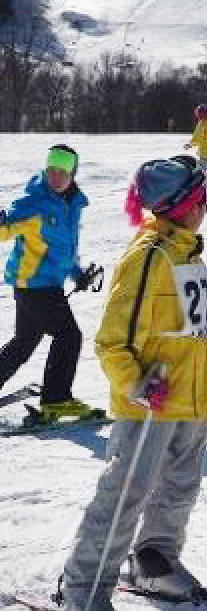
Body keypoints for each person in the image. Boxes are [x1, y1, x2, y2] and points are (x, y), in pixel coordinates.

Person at [57, 155, 207, 611]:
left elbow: (198, 320)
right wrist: (136, 383)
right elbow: (111, 342)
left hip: (192, 398)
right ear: (181, 204)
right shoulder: (147, 257)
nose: (204, 207)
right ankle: (83, 588)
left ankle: (154, 562)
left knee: (180, 490)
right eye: (200, 199)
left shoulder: (188, 252)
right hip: (152, 401)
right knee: (125, 493)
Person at [0, 144, 101, 425]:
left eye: (62, 172)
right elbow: (6, 228)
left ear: (72, 174)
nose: (55, 177)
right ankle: (56, 399)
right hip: (35, 285)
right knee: (69, 336)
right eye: (51, 171)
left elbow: (62, 250)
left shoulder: (71, 205)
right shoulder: (35, 201)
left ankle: (55, 397)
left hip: (44, 284)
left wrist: (77, 274)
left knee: (24, 342)